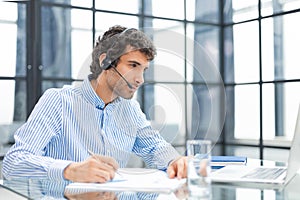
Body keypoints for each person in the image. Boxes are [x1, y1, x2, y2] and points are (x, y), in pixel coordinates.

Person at [2, 25, 187, 183]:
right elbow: (13, 163)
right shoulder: (58, 101)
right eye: (133, 65)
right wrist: (69, 170)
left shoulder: (130, 110)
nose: (140, 79)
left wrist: (174, 161)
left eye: (144, 70)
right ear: (105, 61)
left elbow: (155, 147)